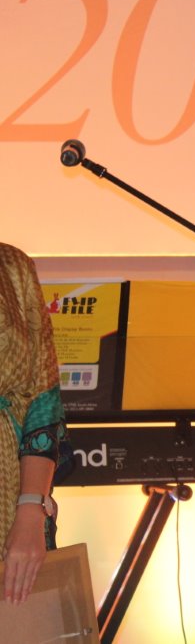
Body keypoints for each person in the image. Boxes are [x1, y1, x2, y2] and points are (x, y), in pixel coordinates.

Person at [1, 243, 71, 605]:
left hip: (8, 493)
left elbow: (44, 400)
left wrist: (31, 511)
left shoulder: (12, 267)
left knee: (18, 617)